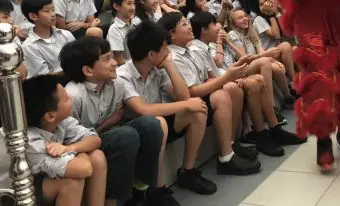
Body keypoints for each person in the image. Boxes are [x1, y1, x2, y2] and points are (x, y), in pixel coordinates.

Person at [61, 37, 178, 206]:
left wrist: (113, 121)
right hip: (84, 148)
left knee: (152, 125)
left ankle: (141, 189)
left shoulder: (117, 83)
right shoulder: (73, 95)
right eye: (107, 59)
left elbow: (131, 112)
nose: (115, 63)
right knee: (125, 135)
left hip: (111, 135)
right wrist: (108, 123)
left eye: (112, 57)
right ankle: (114, 200)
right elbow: (70, 139)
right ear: (88, 70)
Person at [118, 20, 218, 195]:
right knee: (158, 123)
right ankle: (157, 189)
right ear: (151, 54)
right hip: (137, 131)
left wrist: (170, 66)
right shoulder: (123, 75)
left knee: (197, 111)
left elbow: (183, 96)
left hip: (159, 122)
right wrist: (186, 103)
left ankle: (187, 171)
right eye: (165, 47)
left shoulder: (158, 68)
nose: (168, 50)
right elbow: (143, 110)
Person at [159, 12, 262, 173]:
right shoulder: (174, 57)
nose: (190, 26)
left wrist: (230, 74)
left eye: (188, 22)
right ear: (172, 34)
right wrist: (228, 77)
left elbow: (208, 77)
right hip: (179, 107)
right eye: (184, 24)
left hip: (195, 98)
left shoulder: (190, 50)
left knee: (232, 89)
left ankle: (230, 145)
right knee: (222, 94)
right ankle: (225, 158)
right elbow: (192, 92)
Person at [190, 12, 305, 155]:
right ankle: (261, 133)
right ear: (204, 30)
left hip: (226, 75)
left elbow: (215, 71)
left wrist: (234, 69)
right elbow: (213, 72)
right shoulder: (198, 49)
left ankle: (274, 129)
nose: (219, 30)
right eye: (214, 25)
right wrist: (229, 74)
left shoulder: (204, 47)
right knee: (254, 79)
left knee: (259, 79)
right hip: (218, 85)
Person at [23, 75, 107, 206]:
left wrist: (69, 148)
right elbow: (84, 168)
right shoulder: (31, 142)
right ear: (50, 116)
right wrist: (80, 150)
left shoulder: (61, 121)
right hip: (18, 192)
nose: (71, 98)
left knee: (97, 156)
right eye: (66, 98)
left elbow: (95, 139)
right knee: (72, 181)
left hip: (43, 179)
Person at [227, 8, 295, 107]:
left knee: (284, 46)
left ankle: (290, 92)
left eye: (245, 16)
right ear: (234, 23)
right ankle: (272, 106)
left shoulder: (251, 30)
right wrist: (268, 57)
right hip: (245, 68)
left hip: (259, 60)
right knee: (266, 62)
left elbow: (262, 52)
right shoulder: (232, 35)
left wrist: (274, 61)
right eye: (240, 18)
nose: (245, 19)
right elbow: (245, 59)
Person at [21, 0, 74, 78]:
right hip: (53, 86)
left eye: (53, 10)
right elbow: (43, 78)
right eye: (47, 11)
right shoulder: (29, 46)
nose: (53, 14)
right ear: (33, 16)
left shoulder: (66, 34)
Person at [107, 0, 140, 65]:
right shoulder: (114, 30)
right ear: (116, 6)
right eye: (129, 4)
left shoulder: (137, 21)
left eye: (133, 3)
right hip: (126, 70)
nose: (133, 7)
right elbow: (120, 60)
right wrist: (140, 64)